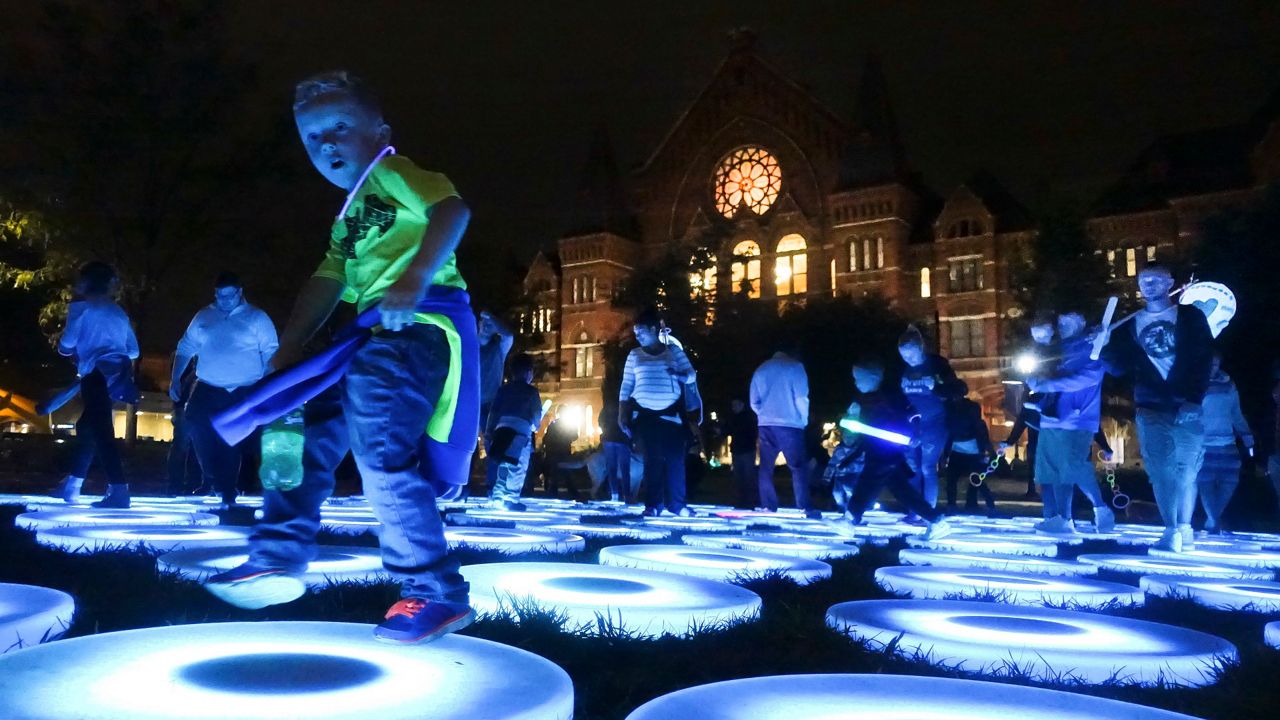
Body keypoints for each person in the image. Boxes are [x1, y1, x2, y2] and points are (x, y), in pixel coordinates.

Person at [204, 71, 475, 644]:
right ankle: (277, 553)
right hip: (369, 335)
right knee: (289, 420)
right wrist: (290, 347)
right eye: (312, 138)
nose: (326, 144)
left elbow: (452, 212)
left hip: (414, 328)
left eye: (340, 128)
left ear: (380, 132)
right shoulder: (347, 220)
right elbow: (328, 281)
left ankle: (434, 591)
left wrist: (415, 278)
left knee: (380, 449)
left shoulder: (395, 173)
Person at [1101, 261, 1214, 552]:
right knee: (1161, 469)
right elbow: (1118, 368)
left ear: (1169, 282)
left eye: (1155, 279)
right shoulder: (1129, 323)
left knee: (1186, 470)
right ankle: (1171, 529)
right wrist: (1103, 346)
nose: (1148, 284)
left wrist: (1194, 399)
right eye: (1143, 279)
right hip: (1150, 404)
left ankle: (1185, 526)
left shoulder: (1190, 316)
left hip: (1185, 404)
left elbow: (1204, 359)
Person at [171, 272, 279, 509]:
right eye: (220, 296)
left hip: (243, 389)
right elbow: (186, 347)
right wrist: (175, 379)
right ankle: (214, 479)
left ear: (240, 293)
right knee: (194, 423)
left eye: (229, 296)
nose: (225, 300)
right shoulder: (204, 316)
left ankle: (228, 493)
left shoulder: (257, 318)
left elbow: (271, 352)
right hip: (208, 386)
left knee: (231, 439)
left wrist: (270, 386)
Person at [50, 261, 140, 508]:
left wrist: (73, 348)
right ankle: (71, 487)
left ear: (87, 283)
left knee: (100, 431)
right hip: (117, 376)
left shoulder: (80, 308)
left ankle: (119, 491)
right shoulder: (119, 312)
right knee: (89, 426)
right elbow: (133, 350)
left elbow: (67, 345)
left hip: (94, 373)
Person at [834, 359, 954, 540]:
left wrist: (914, 433)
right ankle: (936, 521)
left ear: (872, 378)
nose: (856, 382)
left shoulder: (889, 398)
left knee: (867, 483)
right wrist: (853, 416)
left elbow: (913, 414)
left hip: (885, 452)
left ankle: (850, 520)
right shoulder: (863, 401)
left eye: (858, 378)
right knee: (902, 491)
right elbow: (857, 425)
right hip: (880, 451)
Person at [1027, 311, 1115, 534]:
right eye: (1061, 322)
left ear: (1083, 323)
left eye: (1069, 322)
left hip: (1078, 418)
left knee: (1073, 466)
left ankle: (1100, 507)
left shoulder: (1091, 347)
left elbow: (1090, 376)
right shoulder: (1056, 350)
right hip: (1052, 417)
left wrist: (1049, 385)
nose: (1063, 326)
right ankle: (1064, 518)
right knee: (1056, 470)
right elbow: (1041, 373)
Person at [619, 308, 699, 517]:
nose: (638, 336)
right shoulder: (634, 355)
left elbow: (691, 375)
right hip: (647, 416)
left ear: (654, 329)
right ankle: (653, 505)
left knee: (675, 459)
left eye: (641, 332)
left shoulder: (673, 352)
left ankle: (678, 505)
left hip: (671, 415)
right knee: (652, 459)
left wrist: (679, 376)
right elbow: (626, 386)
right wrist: (622, 414)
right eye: (636, 333)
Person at [898, 325, 962, 510]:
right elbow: (904, 400)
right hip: (914, 425)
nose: (907, 360)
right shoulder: (905, 371)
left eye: (910, 355)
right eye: (903, 356)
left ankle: (928, 511)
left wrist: (936, 387)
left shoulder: (937, 366)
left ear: (920, 348)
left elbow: (958, 390)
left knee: (927, 467)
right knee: (914, 468)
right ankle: (914, 510)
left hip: (936, 422)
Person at [750, 344, 817, 517]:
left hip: (766, 423)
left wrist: (764, 414)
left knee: (766, 467)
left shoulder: (761, 368)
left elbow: (753, 401)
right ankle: (804, 506)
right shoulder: (795, 367)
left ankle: (768, 505)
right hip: (790, 424)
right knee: (798, 466)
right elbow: (801, 397)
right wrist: (803, 419)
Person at [1196, 352, 1253, 534]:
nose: (1213, 368)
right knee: (1206, 484)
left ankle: (1212, 520)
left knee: (1230, 481)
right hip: (1204, 444)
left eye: (1216, 364)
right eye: (1210, 364)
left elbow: (1236, 412)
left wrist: (1246, 435)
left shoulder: (1228, 384)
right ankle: (1214, 521)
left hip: (1227, 443)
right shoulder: (1195, 382)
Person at [1001, 314, 1055, 499]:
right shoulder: (1033, 356)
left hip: (1054, 417)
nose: (1039, 340)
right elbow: (1024, 409)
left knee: (1053, 458)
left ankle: (1057, 494)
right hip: (1034, 415)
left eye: (1042, 336)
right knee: (1034, 454)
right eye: (1036, 336)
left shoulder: (1057, 353)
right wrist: (1010, 440)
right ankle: (1034, 488)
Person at [485, 353, 542, 511]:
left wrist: (489, 431)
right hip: (521, 431)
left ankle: (498, 495)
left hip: (502, 427)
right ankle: (511, 498)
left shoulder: (504, 390)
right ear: (529, 372)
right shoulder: (531, 392)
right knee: (517, 466)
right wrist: (536, 426)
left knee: (503, 463)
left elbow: (494, 411)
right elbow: (536, 414)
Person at [942, 387, 997, 516]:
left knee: (958, 478)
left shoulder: (951, 408)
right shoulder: (969, 407)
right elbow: (979, 429)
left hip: (964, 447)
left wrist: (945, 453)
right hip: (969, 448)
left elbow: (950, 431)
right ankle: (978, 504)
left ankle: (955, 505)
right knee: (974, 478)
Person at [477, 310, 514, 492]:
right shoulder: (469, 347)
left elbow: (508, 335)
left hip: (491, 404)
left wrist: (493, 318)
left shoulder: (499, 349)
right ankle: (457, 484)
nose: (486, 327)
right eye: (483, 323)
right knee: (464, 444)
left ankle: (492, 484)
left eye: (490, 325)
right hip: (471, 403)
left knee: (492, 444)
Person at [165, 362, 202, 496]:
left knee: (186, 446)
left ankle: (184, 484)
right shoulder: (185, 358)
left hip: (186, 405)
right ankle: (179, 484)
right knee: (184, 445)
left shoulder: (184, 357)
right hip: (185, 405)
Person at [541, 407, 582, 501]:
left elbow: (546, 438)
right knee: (565, 471)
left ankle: (553, 493)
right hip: (562, 451)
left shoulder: (554, 424)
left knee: (555, 473)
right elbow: (575, 435)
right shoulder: (568, 424)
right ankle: (573, 493)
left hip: (554, 451)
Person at [726, 398, 758, 509]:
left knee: (747, 477)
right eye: (732, 405)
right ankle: (742, 501)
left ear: (742, 405)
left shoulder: (747, 418)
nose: (733, 407)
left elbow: (747, 432)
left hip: (746, 450)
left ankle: (748, 502)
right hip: (739, 450)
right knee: (740, 477)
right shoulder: (736, 418)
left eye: (735, 405)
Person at [599, 400, 632, 502]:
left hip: (609, 438)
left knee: (611, 468)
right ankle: (626, 495)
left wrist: (605, 430)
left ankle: (614, 494)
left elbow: (600, 421)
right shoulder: (626, 406)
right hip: (622, 440)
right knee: (625, 468)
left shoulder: (607, 407)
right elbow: (631, 421)